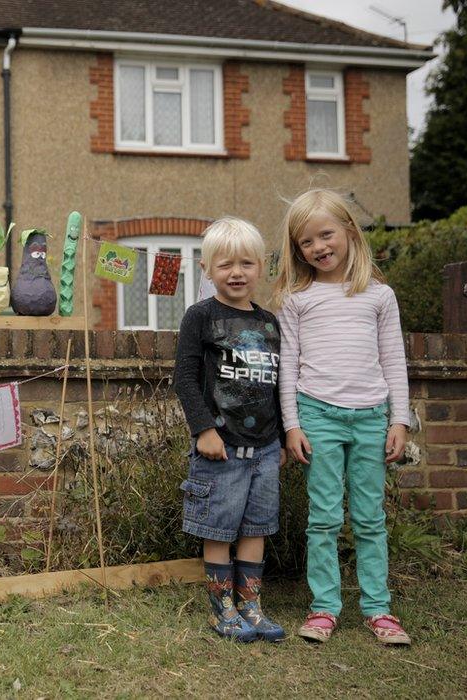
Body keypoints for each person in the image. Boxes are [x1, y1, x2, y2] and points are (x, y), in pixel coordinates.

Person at [274, 189, 411, 646]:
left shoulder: (379, 296)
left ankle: (378, 608)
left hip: (372, 417)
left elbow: (394, 361)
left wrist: (399, 420)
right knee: (324, 517)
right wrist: (292, 424)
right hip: (318, 415)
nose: (318, 247)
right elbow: (288, 367)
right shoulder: (297, 299)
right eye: (305, 242)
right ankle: (325, 607)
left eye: (326, 235)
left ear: (350, 232)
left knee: (371, 518)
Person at [173, 217, 286, 643]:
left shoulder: (269, 323)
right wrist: (204, 429)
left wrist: (281, 438)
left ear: (260, 267)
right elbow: (184, 378)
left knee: (257, 528)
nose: (236, 273)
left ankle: (251, 608)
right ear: (207, 270)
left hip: (265, 449)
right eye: (225, 265)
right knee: (218, 530)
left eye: (245, 264)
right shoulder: (201, 316)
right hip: (219, 447)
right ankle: (222, 610)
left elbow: (278, 384)